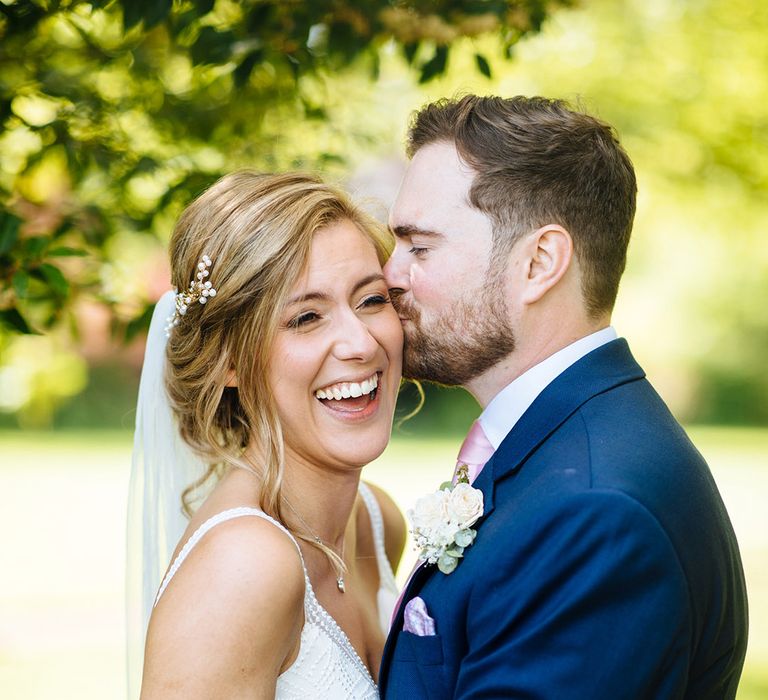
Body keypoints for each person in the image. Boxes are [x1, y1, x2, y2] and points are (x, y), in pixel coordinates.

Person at [378, 95, 748, 699]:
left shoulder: (594, 515)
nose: (390, 273)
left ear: (539, 263)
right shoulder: (573, 445)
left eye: (420, 247)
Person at [127, 171, 407, 699]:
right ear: (229, 362)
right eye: (306, 317)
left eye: (371, 300)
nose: (361, 343)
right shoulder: (243, 565)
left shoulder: (376, 521)